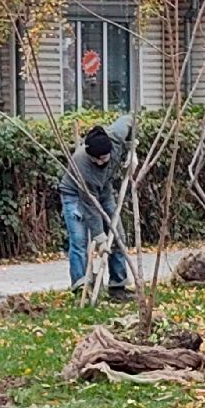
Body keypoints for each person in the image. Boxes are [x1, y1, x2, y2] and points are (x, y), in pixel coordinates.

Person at [58, 115, 135, 299]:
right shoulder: (82, 163)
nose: (101, 163)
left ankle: (118, 286)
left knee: (118, 235)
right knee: (79, 240)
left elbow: (130, 120)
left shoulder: (115, 136)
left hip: (104, 190)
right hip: (75, 195)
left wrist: (132, 150)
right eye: (96, 160)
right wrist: (100, 239)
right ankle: (81, 288)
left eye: (104, 159)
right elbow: (91, 205)